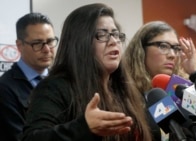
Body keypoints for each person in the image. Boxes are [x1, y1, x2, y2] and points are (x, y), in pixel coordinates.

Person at [21, 3, 155, 141]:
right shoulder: (54, 88)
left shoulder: (124, 89)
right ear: (80, 42)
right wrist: (84, 127)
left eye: (115, 34)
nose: (114, 41)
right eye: (102, 35)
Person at [123, 21, 196, 141]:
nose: (172, 55)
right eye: (163, 46)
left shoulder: (181, 89)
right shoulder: (124, 92)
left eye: (176, 48)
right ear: (141, 50)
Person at [0, 13, 57, 141]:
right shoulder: (5, 88)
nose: (47, 49)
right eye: (37, 43)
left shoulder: (62, 80)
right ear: (20, 45)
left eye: (50, 41)